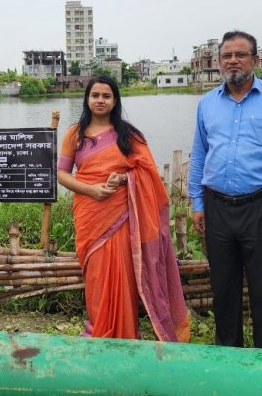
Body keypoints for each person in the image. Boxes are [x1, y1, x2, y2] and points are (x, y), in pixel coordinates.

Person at [188, 30, 262, 349]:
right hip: (217, 206)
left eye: (240, 54)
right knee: (223, 289)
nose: (233, 61)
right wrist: (197, 202)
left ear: (255, 60)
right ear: (218, 62)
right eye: (226, 55)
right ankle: (229, 356)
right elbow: (200, 153)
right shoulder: (207, 103)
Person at [57, 75, 190, 342]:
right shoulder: (75, 134)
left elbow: (148, 174)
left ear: (115, 101)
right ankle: (100, 330)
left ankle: (125, 334)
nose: (100, 100)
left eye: (106, 96)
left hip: (122, 217)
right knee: (96, 278)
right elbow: (61, 174)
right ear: (87, 99)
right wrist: (92, 190)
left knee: (123, 278)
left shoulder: (128, 135)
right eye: (95, 95)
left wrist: (124, 178)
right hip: (90, 217)